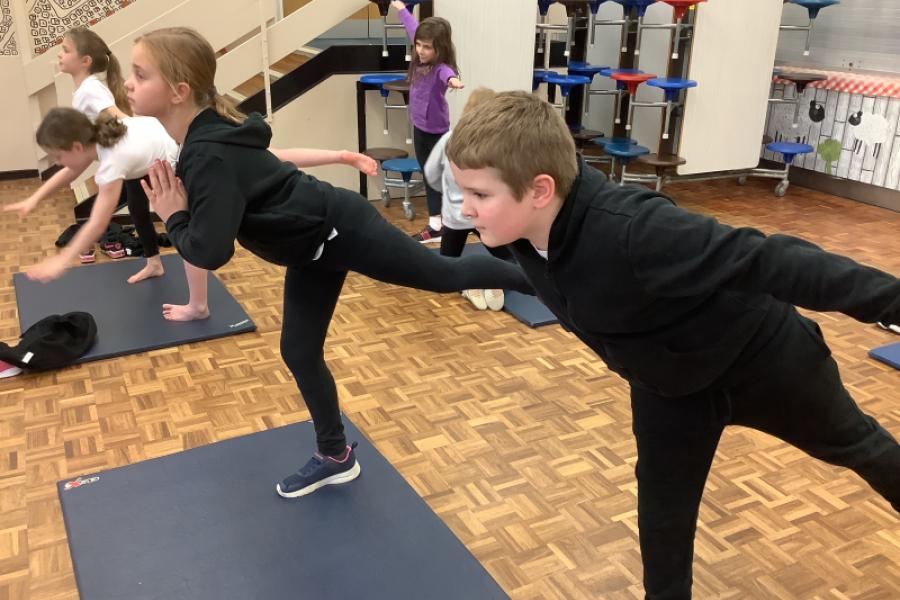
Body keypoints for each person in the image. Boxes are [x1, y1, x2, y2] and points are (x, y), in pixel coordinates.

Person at [445, 91, 900, 599]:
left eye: (478, 194)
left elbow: (773, 261)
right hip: (669, 388)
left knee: (861, 447)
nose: (465, 208)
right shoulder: (516, 234)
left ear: (540, 189)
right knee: (663, 519)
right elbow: (539, 276)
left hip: (765, 360)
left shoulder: (636, 230)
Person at [126, 27, 532, 498]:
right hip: (309, 247)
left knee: (445, 274)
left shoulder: (208, 150)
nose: (128, 84)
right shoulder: (207, 137)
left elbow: (211, 251)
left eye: (140, 74)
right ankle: (336, 456)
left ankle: (548, 283)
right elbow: (258, 177)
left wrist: (173, 215)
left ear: (179, 91)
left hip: (338, 228)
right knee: (299, 351)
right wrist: (182, 212)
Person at [425, 87, 509, 311]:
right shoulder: (498, 144)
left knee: (446, 268)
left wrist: (444, 192)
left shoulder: (448, 139)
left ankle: (471, 285)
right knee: (509, 259)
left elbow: (431, 173)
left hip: (456, 217)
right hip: (485, 217)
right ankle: (493, 281)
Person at [391, 0, 463, 244]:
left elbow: (448, 75)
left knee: (436, 176)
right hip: (419, 127)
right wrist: (401, 8)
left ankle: (440, 225)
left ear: (440, 49)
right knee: (428, 173)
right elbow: (412, 26)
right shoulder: (419, 55)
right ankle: (438, 224)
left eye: (427, 47)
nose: (421, 51)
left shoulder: (440, 68)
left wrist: (453, 81)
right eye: (418, 45)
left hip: (436, 132)